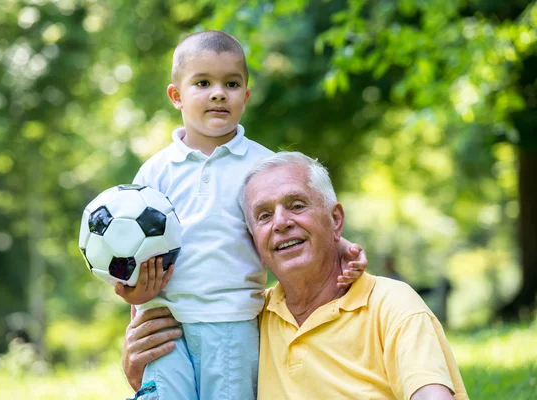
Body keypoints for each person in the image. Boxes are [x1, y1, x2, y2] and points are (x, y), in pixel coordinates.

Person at [115, 32, 368, 400]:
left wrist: (342, 247)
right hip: (162, 320)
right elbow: (123, 241)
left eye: (231, 84)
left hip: (230, 322)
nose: (219, 93)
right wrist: (129, 289)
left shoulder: (261, 166)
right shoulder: (155, 172)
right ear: (176, 96)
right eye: (203, 83)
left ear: (245, 97)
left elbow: (297, 217)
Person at [125, 152, 469, 399]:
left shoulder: (390, 305)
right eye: (263, 215)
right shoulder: (251, 319)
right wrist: (139, 374)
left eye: (297, 205)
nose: (280, 222)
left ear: (335, 220)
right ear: (253, 243)